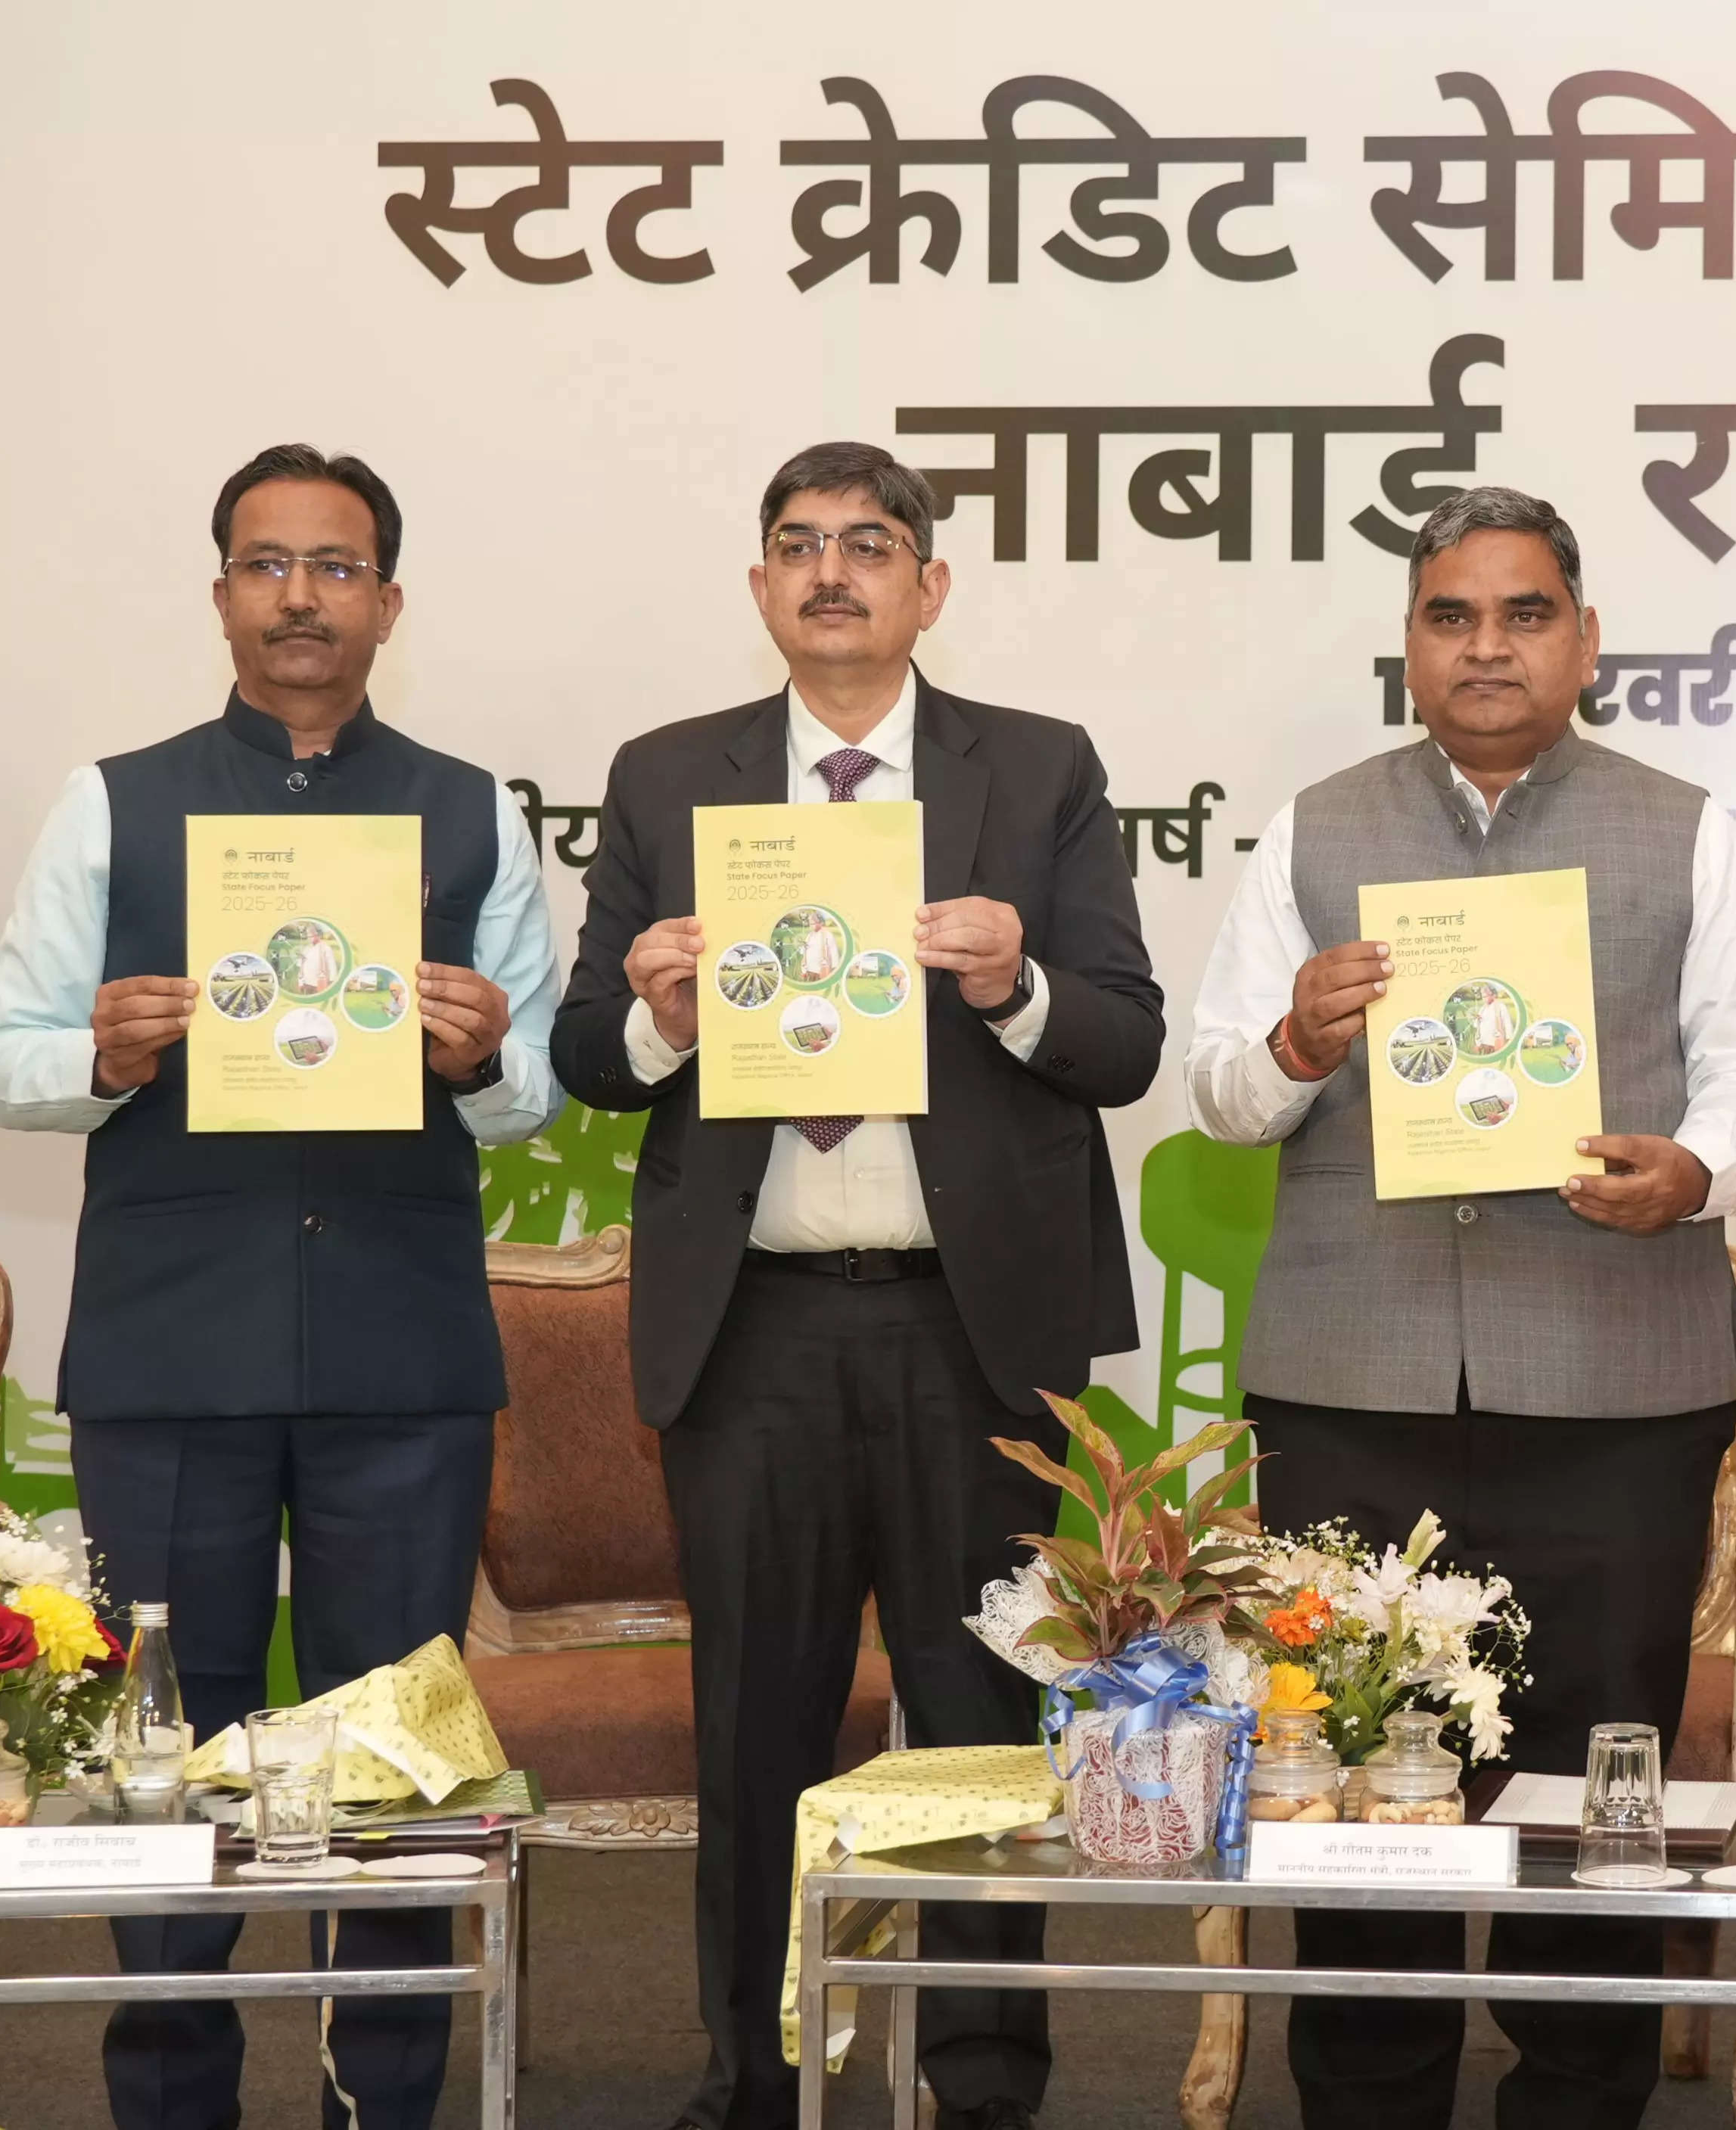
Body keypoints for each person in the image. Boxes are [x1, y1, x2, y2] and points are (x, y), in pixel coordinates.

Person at [549, 442, 1162, 2130]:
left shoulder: (1033, 774)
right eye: (799, 547)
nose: (833, 572)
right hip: (752, 1327)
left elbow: (1122, 1040)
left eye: (870, 545)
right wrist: (665, 1011)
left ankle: (982, 2080)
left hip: (976, 1332)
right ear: (760, 589)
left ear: (929, 588)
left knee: (979, 1717)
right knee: (756, 1720)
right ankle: (752, 2071)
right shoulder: (671, 778)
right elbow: (586, 1054)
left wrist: (1013, 978)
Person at [1186, 485, 1736, 2130]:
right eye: (1452, 617)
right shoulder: (1315, 830)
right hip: (1350, 1390)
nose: (1487, 646)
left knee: (1591, 1807)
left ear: (1583, 641)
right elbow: (1219, 1092)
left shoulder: (1686, 828)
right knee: (1352, 1795)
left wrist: (1695, 1166)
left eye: (1523, 613)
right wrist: (1300, 1045)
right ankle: (1367, 2100)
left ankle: (1581, 2098)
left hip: (1613, 1386)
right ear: (1410, 648)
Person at [0, 443, 563, 2130]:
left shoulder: (469, 807)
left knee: (396, 1765)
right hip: (172, 1353)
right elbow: (6, 1060)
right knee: (166, 1765)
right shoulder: (112, 797)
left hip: (401, 1349)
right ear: (221, 589)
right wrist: (99, 1044)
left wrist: (486, 1052)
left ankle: (381, 2100)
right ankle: (174, 2104)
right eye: (265, 563)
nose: (300, 596)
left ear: (387, 598)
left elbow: (531, 1090)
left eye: (335, 565)